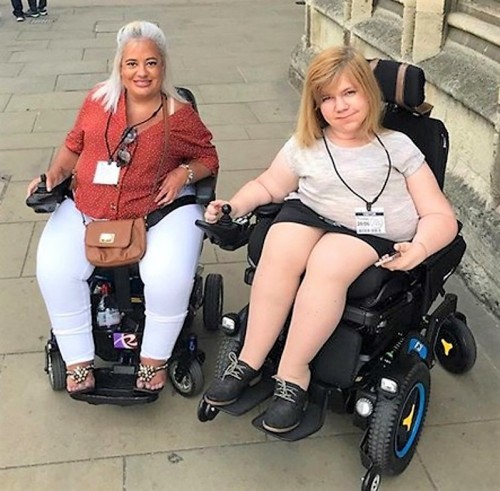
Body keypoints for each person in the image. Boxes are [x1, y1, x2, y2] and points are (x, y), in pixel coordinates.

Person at [201, 46, 457, 433]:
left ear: (369, 93)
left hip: (371, 230)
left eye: (349, 93)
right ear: (315, 105)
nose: (339, 106)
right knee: (278, 245)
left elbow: (441, 216)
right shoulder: (308, 143)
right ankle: (249, 360)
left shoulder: (399, 147)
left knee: (328, 262)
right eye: (327, 98)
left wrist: (418, 249)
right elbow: (270, 184)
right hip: (313, 213)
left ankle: (293, 375)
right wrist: (233, 206)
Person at [26, 20, 218, 394]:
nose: (141, 72)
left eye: (150, 63)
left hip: (155, 213)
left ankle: (153, 361)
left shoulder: (178, 114)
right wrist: (53, 174)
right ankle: (79, 362)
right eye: (132, 63)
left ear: (163, 66)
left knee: (168, 277)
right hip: (88, 206)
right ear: (119, 66)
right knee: (54, 269)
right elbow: (73, 145)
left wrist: (183, 174)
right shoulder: (98, 100)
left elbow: (208, 157)